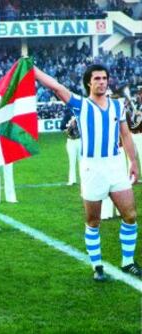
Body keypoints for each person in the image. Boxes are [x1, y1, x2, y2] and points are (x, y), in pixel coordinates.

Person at [34, 64, 141, 281]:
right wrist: (31, 68)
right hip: (92, 167)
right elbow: (56, 87)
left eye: (104, 78)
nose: (102, 82)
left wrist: (133, 162)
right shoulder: (81, 105)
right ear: (89, 83)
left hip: (114, 165)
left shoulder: (117, 105)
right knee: (93, 220)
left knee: (130, 215)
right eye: (97, 79)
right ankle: (97, 265)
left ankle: (127, 262)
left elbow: (126, 135)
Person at [60, 109, 81, 185]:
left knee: (80, 161)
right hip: (72, 141)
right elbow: (62, 127)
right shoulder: (68, 115)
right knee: (73, 161)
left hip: (79, 140)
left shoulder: (80, 115)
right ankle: (72, 180)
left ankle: (79, 180)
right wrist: (68, 127)